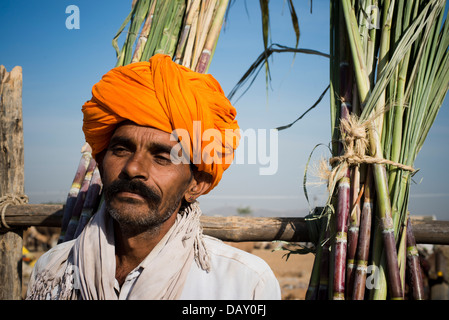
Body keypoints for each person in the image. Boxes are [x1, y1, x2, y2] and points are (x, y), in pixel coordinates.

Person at [26, 54, 281, 300]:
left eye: (162, 157)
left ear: (196, 184)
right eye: (121, 149)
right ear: (102, 165)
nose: (133, 168)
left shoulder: (243, 284)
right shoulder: (53, 271)